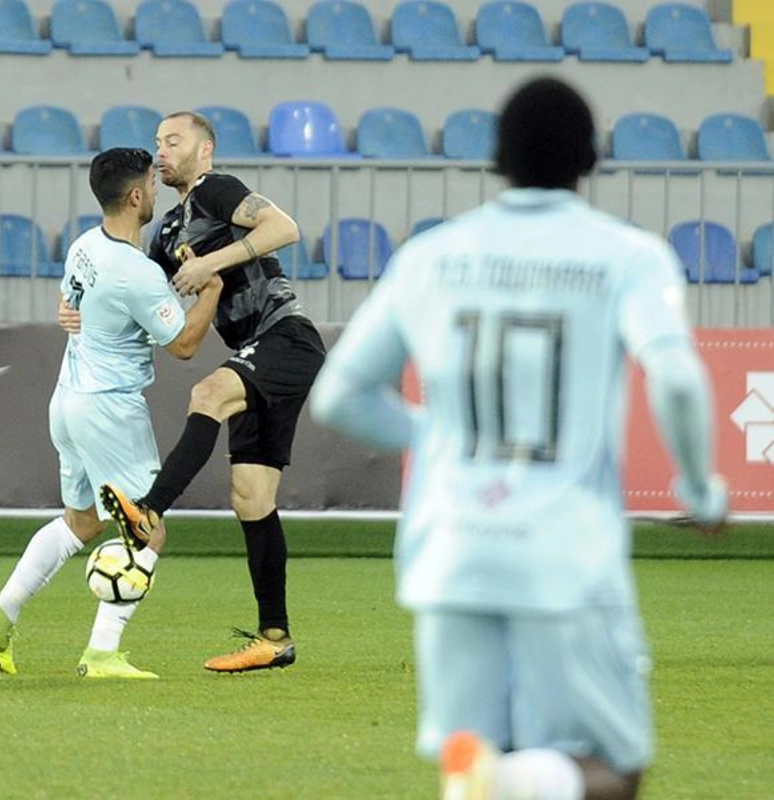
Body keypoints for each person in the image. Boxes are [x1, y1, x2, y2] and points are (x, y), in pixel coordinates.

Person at [310, 77, 728, 800]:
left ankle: (498, 777)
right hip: (563, 554)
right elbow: (679, 381)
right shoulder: (626, 255)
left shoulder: (432, 256)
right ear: (591, 159)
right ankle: (508, 781)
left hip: (450, 549)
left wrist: (435, 433)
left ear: (497, 157)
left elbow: (339, 396)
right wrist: (700, 490)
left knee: (476, 757)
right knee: (613, 768)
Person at [0, 147, 222, 680]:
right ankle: (102, 652)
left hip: (67, 400)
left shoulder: (84, 245)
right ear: (135, 196)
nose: (157, 190)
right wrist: (213, 290)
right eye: (151, 183)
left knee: (80, 522)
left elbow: (69, 306)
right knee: (149, 529)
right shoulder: (136, 273)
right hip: (109, 410)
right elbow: (183, 345)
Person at [97, 110, 327, 673]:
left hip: (287, 338)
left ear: (206, 150)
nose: (161, 152)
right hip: (254, 351)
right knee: (251, 497)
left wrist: (212, 265)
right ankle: (275, 638)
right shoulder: (166, 234)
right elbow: (139, 292)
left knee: (209, 393)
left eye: (174, 141)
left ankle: (148, 511)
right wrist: (80, 307)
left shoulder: (217, 191)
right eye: (157, 143)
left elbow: (284, 228)